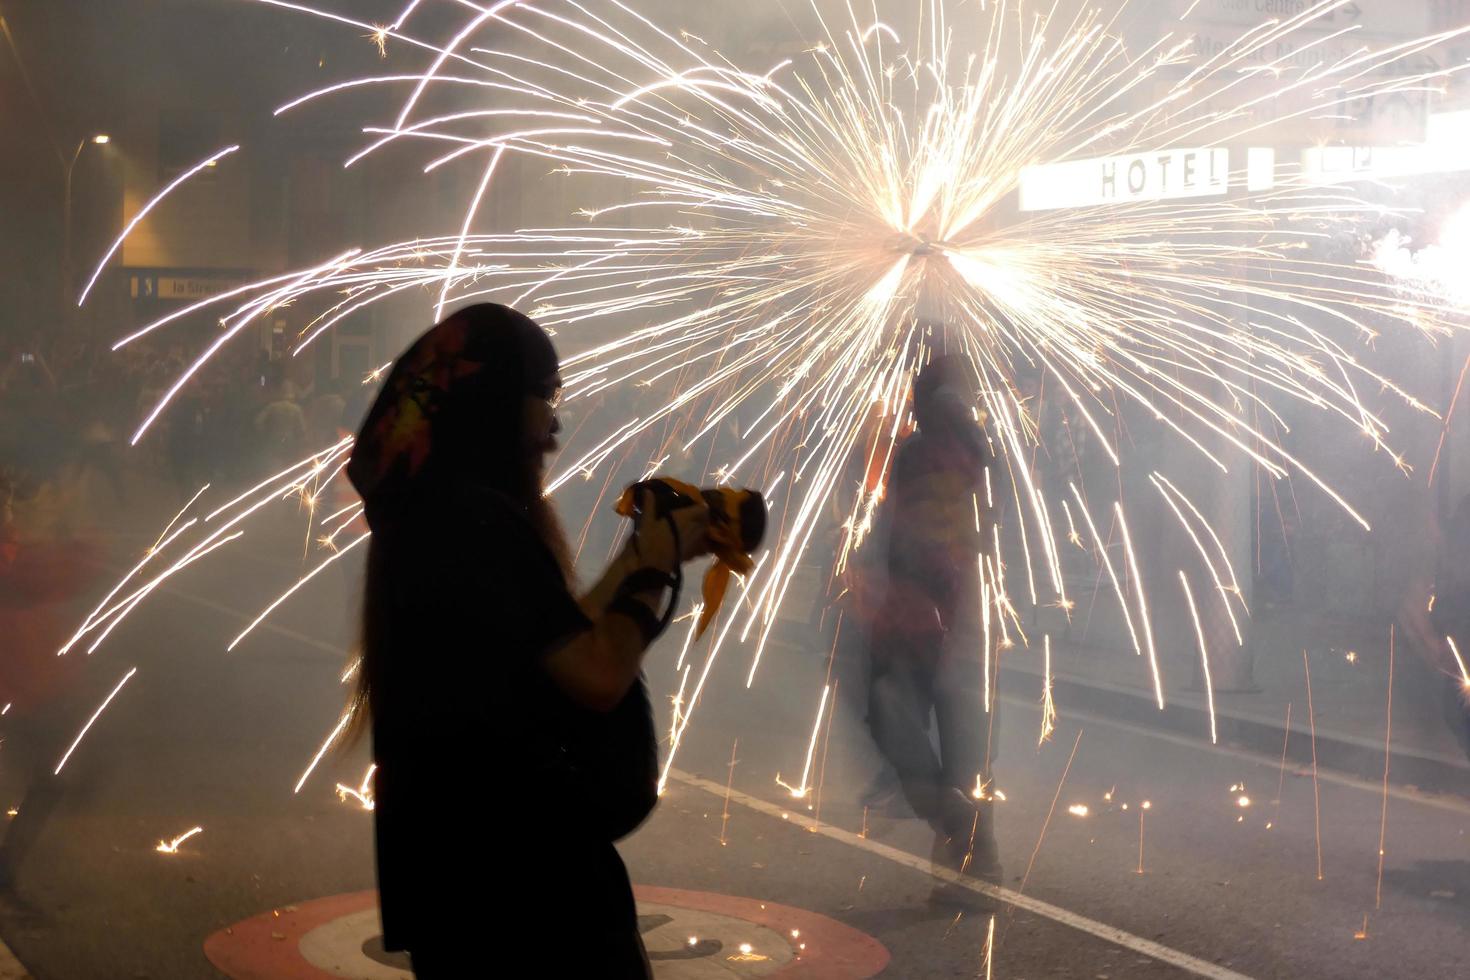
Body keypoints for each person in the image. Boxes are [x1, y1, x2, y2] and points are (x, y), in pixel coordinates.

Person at [344, 304, 709, 977]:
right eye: (545, 395)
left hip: (462, 885)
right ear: (491, 401)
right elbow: (597, 675)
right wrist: (654, 572)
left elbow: (550, 637)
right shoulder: (472, 524)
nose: (556, 424)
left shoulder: (434, 513)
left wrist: (637, 558)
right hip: (522, 890)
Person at [864, 353, 1001, 905]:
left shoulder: (918, 454)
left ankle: (957, 829)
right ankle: (973, 865)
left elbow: (900, 530)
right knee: (965, 745)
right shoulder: (981, 455)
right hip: (967, 615)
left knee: (888, 708)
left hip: (922, 613)